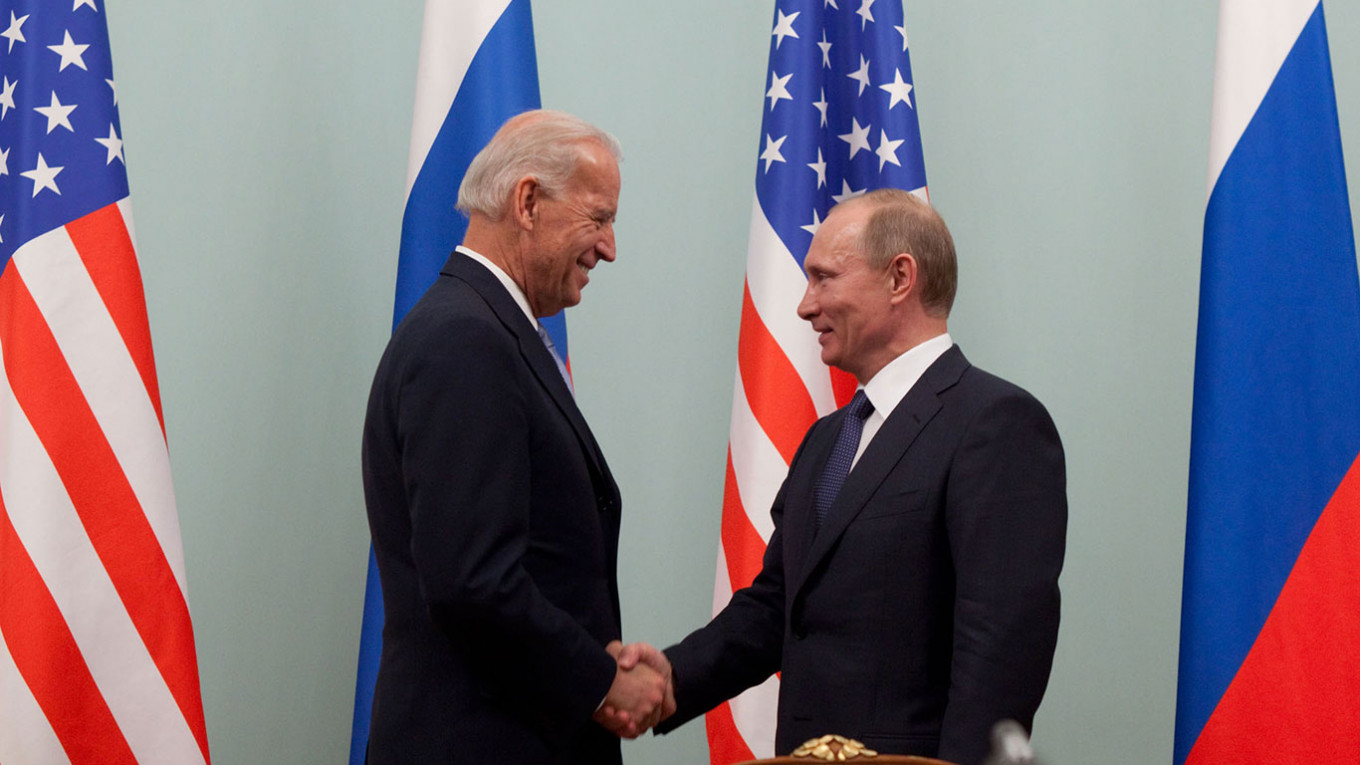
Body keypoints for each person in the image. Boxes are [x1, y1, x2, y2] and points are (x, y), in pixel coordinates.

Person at [627, 189, 1067, 765]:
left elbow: (1001, 647)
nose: (805, 306)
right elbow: (778, 605)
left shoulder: (995, 424)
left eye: (824, 278)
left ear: (899, 278)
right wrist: (672, 678)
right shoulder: (827, 439)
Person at [361, 110, 667, 765]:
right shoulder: (465, 340)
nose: (610, 246)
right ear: (527, 201)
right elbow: (472, 580)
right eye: (600, 217)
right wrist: (600, 679)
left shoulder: (485, 329)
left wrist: (592, 660)